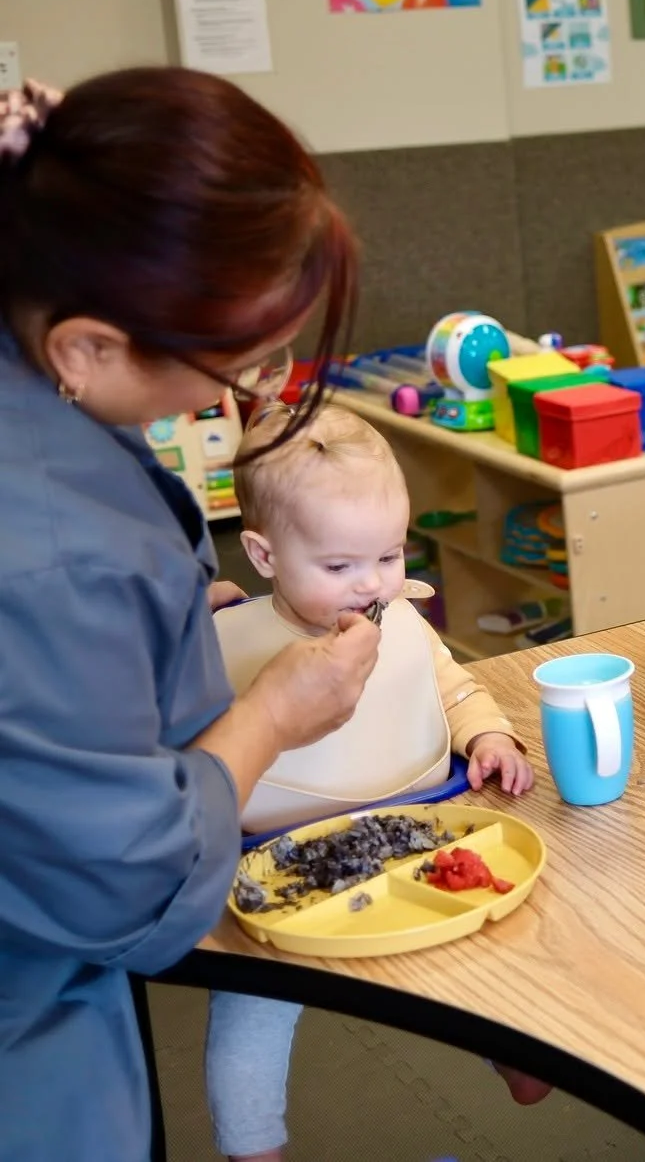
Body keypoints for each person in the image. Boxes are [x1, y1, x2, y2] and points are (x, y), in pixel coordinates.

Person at [0, 70, 376, 1161]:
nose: (247, 389)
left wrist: (154, 631)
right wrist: (271, 715)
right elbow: (133, 874)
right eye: (231, 363)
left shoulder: (36, 344)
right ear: (84, 349)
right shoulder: (55, 557)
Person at [204, 405, 541, 1160]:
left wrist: (488, 733)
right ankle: (251, 1144)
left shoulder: (406, 620)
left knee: (490, 951)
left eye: (389, 556)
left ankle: (521, 1051)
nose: (373, 585)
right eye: (339, 566)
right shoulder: (226, 643)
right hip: (281, 866)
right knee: (249, 1011)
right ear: (262, 554)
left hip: (422, 835)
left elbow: (448, 686)